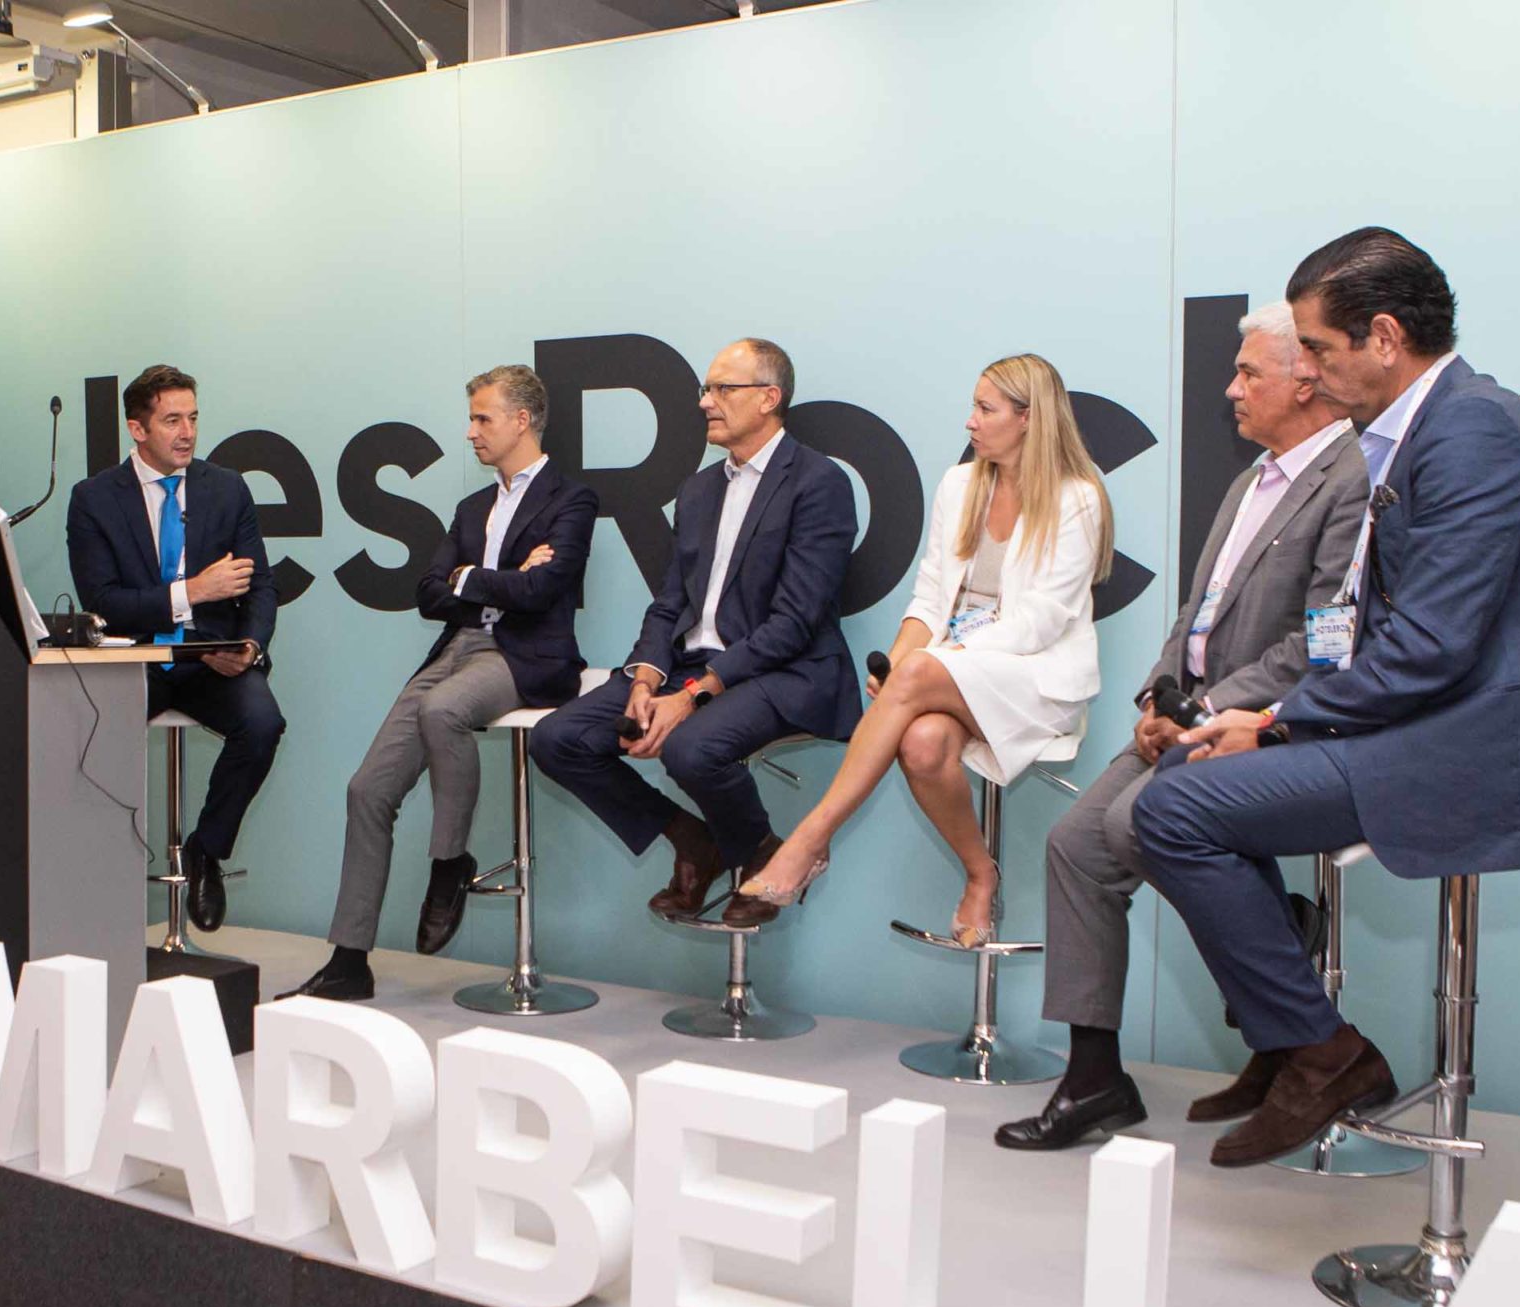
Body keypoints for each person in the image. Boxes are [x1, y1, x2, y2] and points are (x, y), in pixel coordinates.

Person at [1130, 228, 1520, 1168]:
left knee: (1176, 809)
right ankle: (1298, 1043)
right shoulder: (1418, 432)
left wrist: (1274, 722)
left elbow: (1433, 647)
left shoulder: (1472, 430)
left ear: (1387, 337)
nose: (1309, 372)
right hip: (1421, 719)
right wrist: (1267, 721)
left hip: (1483, 742)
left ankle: (1321, 1055)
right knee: (1186, 785)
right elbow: (1362, 627)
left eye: (1319, 349)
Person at [995, 304, 1368, 1153]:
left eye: (1248, 373)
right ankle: (1097, 1079)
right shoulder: (1252, 479)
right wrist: (1157, 699)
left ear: (1305, 381)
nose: (1230, 389)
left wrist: (1203, 714)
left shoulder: (1350, 479)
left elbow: (1319, 643)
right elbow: (1197, 615)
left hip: (1267, 726)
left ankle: (1285, 1000)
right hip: (1188, 718)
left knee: (1138, 825)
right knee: (1075, 845)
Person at [736, 355, 1110, 944]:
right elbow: (931, 598)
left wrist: (934, 663)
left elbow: (1039, 624)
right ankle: (980, 872)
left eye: (985, 409)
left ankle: (809, 840)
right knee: (922, 742)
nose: (970, 421)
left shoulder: (1078, 498)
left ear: (1029, 418)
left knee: (918, 679)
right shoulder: (960, 485)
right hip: (952, 671)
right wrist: (902, 661)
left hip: (1036, 679)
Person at [279, 366, 598, 1001]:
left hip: (524, 657)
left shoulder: (572, 499)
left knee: (443, 710)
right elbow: (428, 594)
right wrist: (499, 578)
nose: (471, 432)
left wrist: (471, 578)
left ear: (522, 420)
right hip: (456, 648)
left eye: (483, 418)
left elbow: (544, 590)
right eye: (472, 418)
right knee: (367, 789)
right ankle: (349, 962)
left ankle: (450, 862)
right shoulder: (472, 507)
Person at [529, 337, 859, 928]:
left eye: (722, 389)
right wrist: (644, 679)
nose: (705, 401)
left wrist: (691, 696)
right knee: (558, 738)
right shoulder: (699, 490)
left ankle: (765, 857)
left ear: (769, 398)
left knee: (691, 747)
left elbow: (794, 623)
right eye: (706, 389)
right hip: (690, 665)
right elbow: (669, 603)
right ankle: (694, 840)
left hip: (786, 670)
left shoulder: (818, 482)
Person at [66, 363, 284, 932]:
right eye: (171, 421)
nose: (187, 433)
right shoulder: (93, 499)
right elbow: (104, 602)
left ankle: (206, 850)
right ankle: (92, 880)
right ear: (137, 429)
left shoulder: (226, 487)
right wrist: (193, 592)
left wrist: (250, 645)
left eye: (192, 418)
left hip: (211, 655)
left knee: (263, 725)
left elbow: (260, 585)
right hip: (135, 659)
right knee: (83, 739)